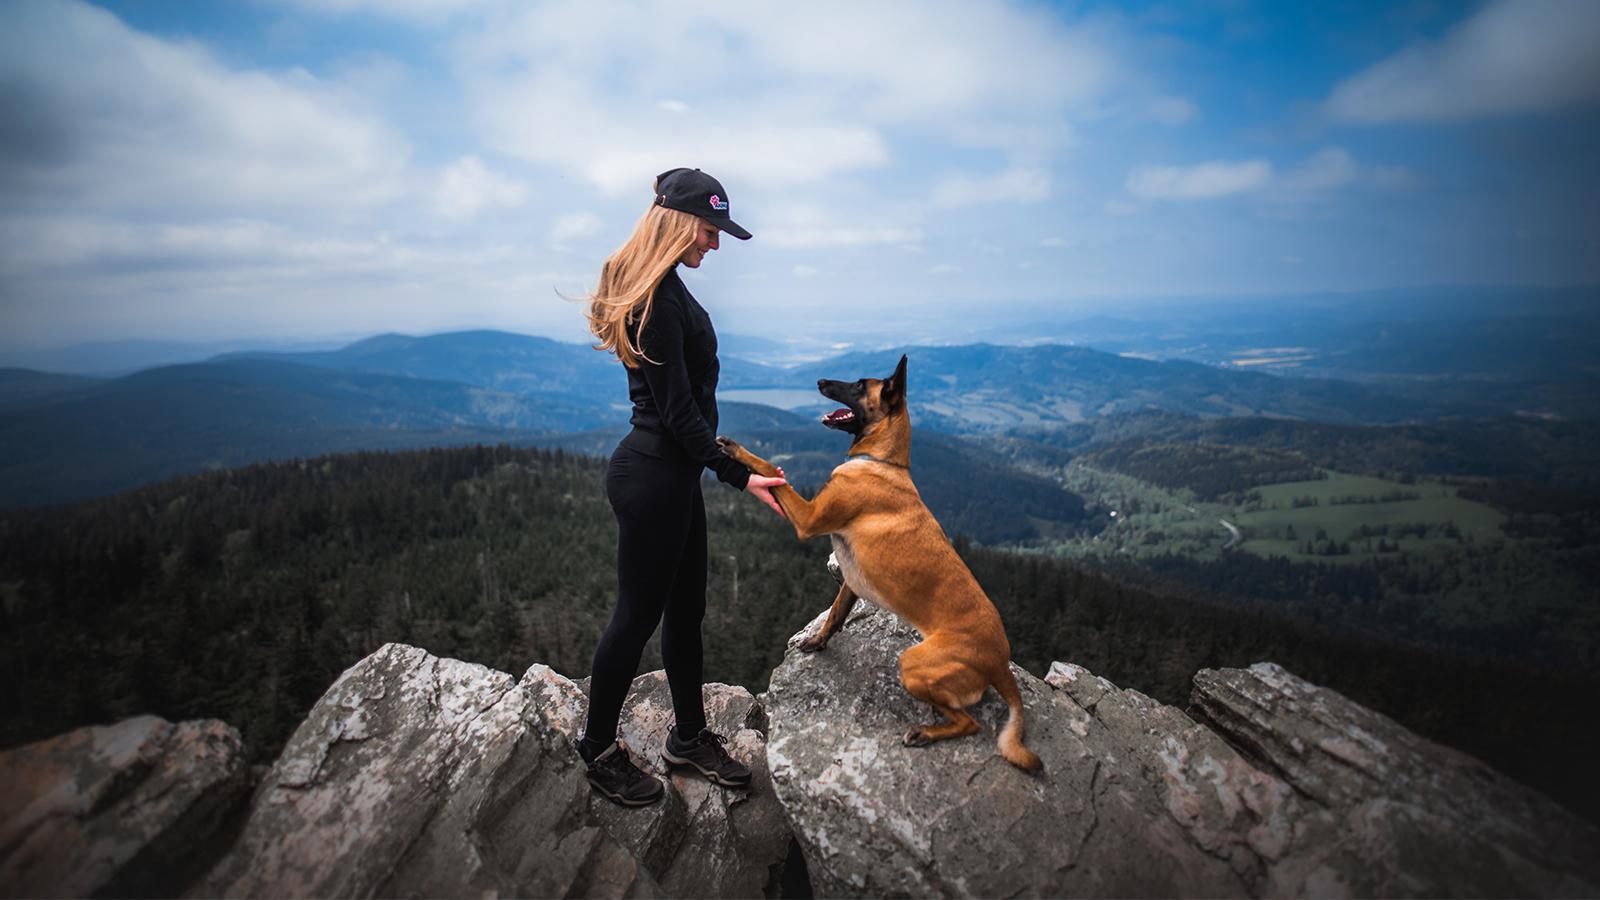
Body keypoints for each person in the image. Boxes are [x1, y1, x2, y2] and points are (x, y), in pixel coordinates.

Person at [577, 167, 787, 806]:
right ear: (675, 221)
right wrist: (739, 474)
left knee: (685, 613)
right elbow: (677, 415)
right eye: (709, 228)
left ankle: (688, 736)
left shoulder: (661, 288)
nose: (715, 244)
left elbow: (682, 414)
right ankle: (597, 749)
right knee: (636, 617)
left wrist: (718, 464)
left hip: (670, 477)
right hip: (653, 478)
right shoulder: (660, 300)